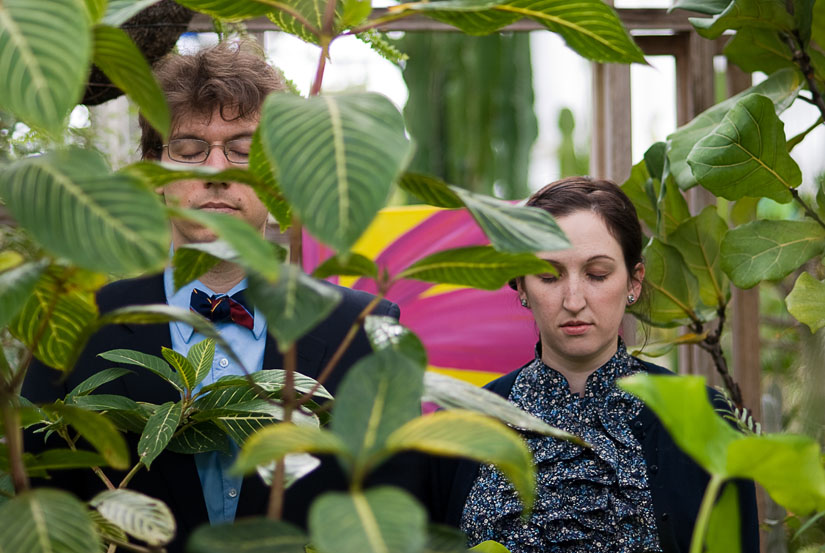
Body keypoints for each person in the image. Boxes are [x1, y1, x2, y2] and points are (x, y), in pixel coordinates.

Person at [22, 40, 398, 552]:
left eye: (244, 151)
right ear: (155, 171)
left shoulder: (365, 327)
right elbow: (42, 502)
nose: (216, 172)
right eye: (190, 149)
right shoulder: (74, 324)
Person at [423, 177, 758, 553]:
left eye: (597, 274)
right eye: (549, 276)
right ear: (520, 286)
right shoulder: (457, 430)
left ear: (634, 281)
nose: (574, 299)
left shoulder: (706, 420)